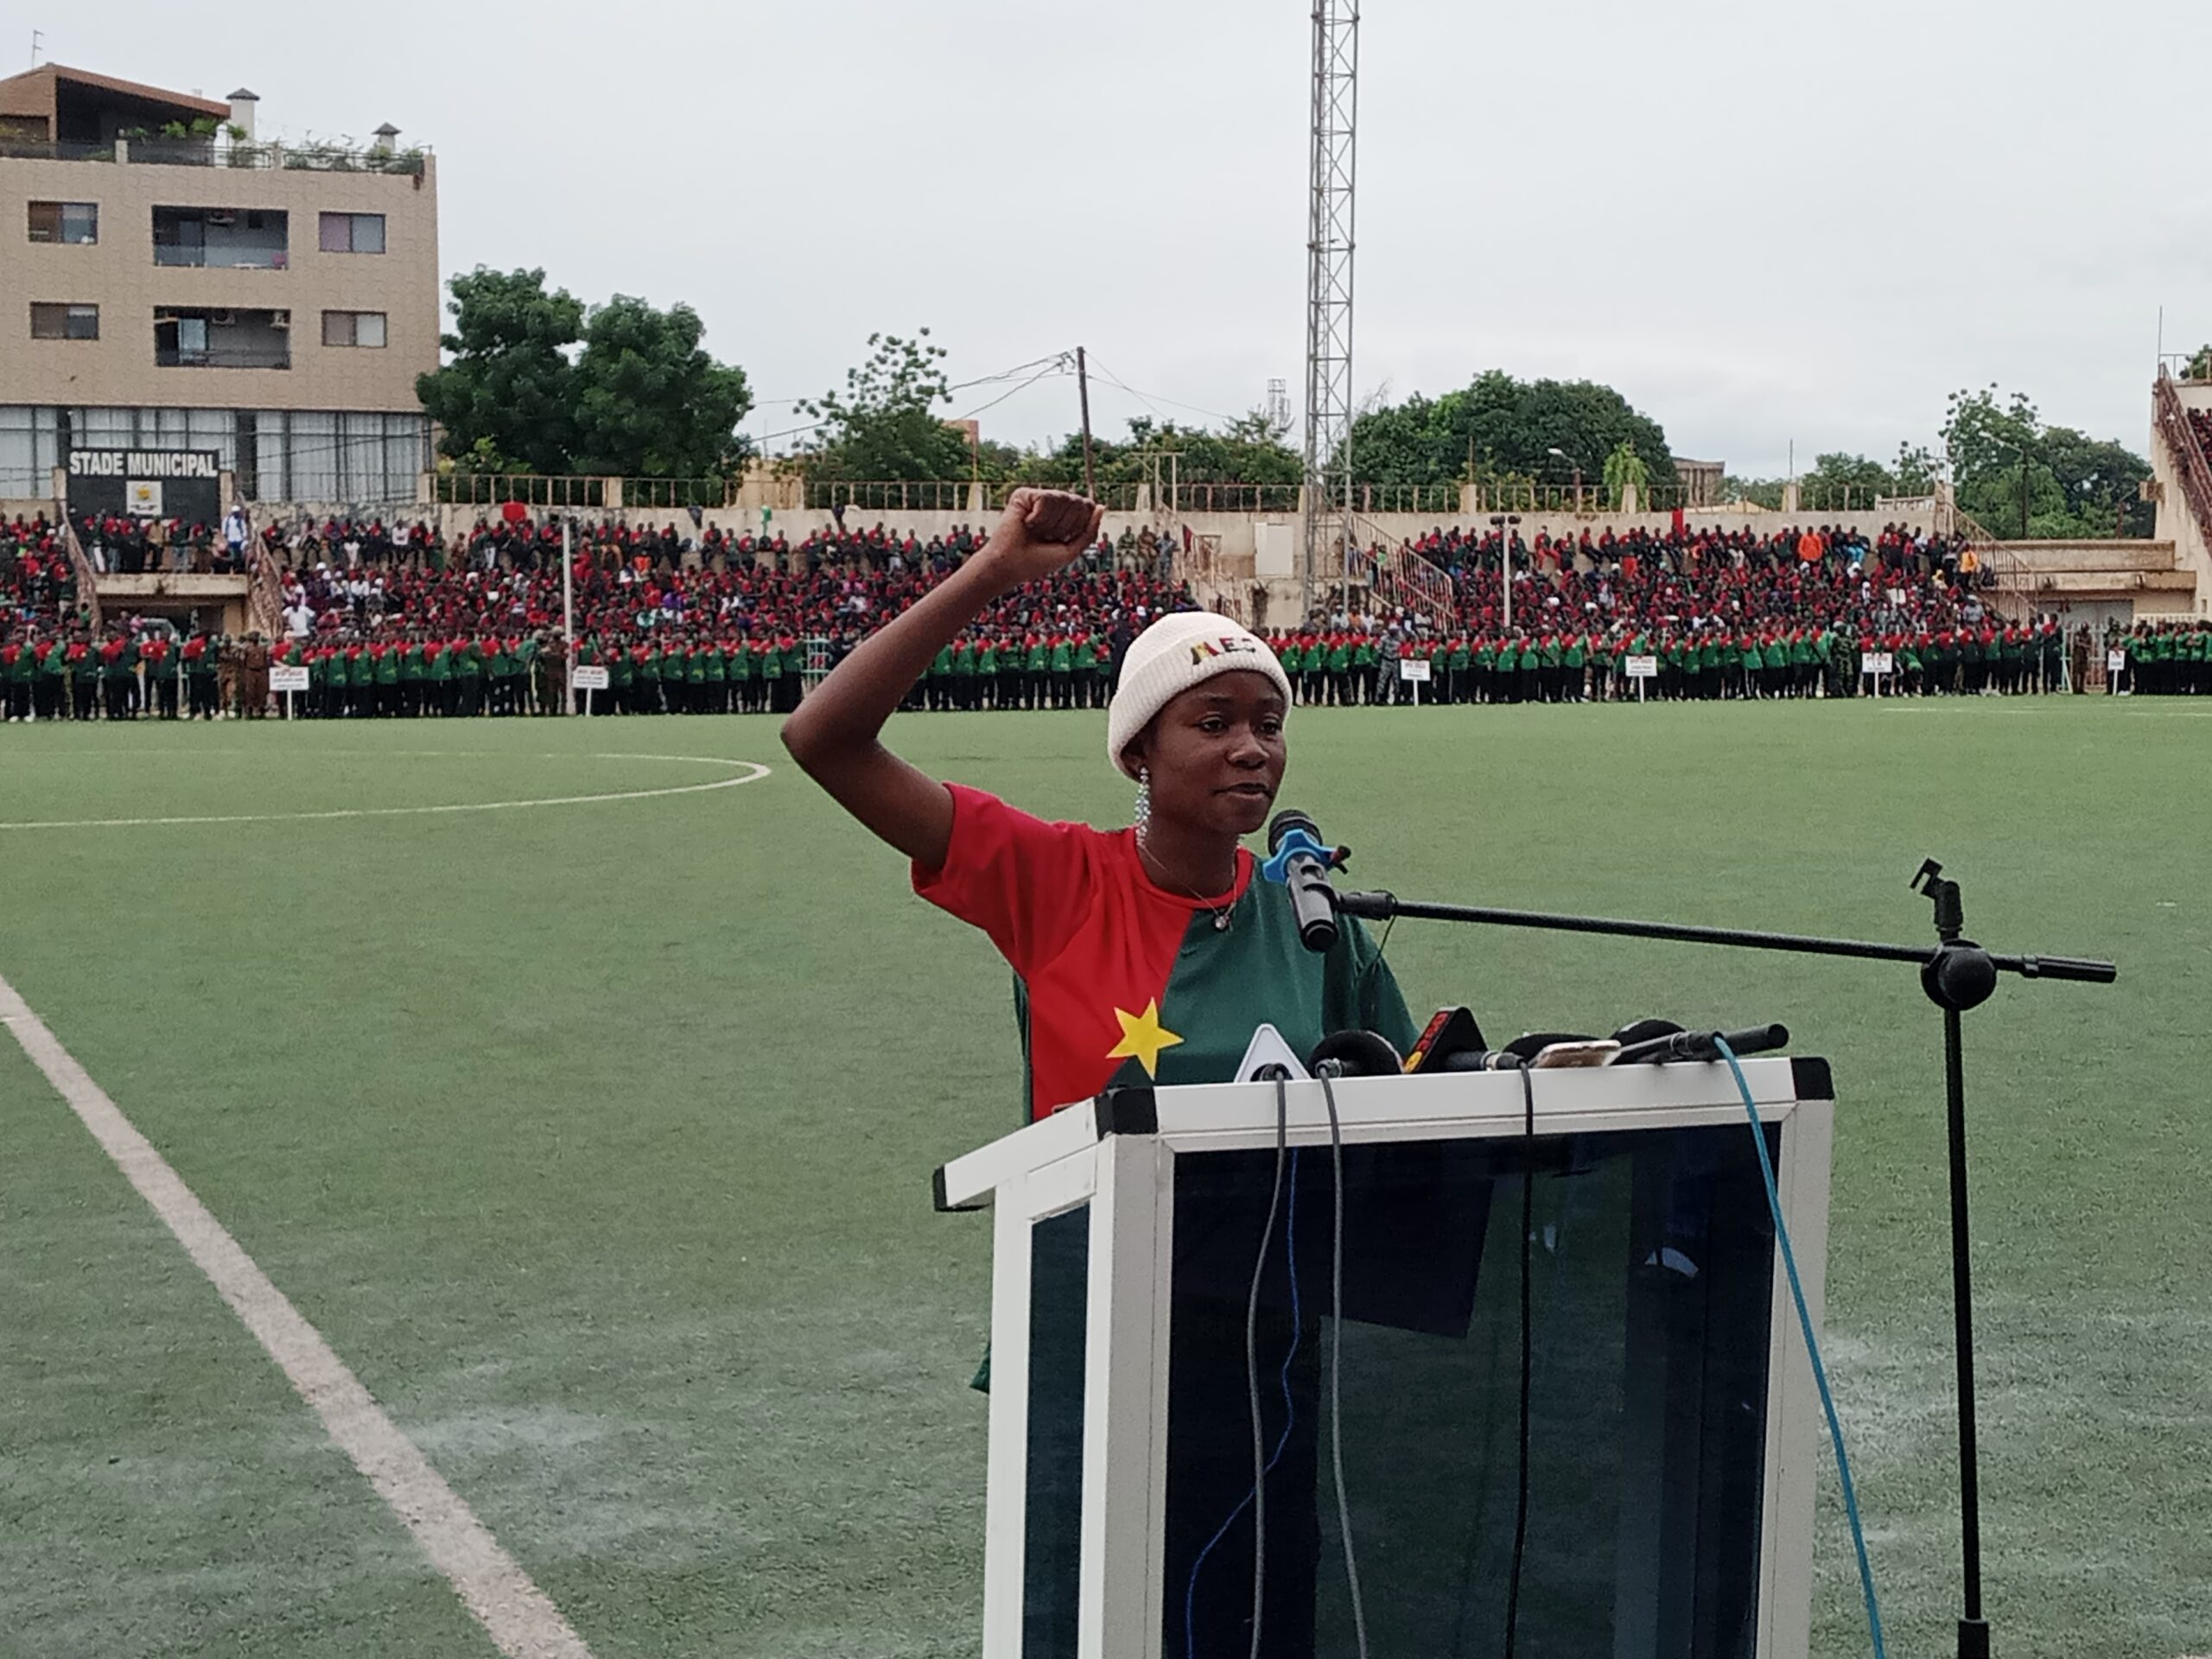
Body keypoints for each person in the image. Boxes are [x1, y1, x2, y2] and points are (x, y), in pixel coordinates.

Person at [780, 488, 1414, 1656]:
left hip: (1273, 1350)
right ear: (1137, 747)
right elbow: (824, 741)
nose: (1251, 747)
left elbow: (1416, 1097)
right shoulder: (1056, 882)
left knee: (1265, 1617)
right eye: (1212, 720)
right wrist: (993, 572)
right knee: (1100, 1621)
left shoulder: (1318, 923)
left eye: (1268, 722)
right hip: (1100, 1342)